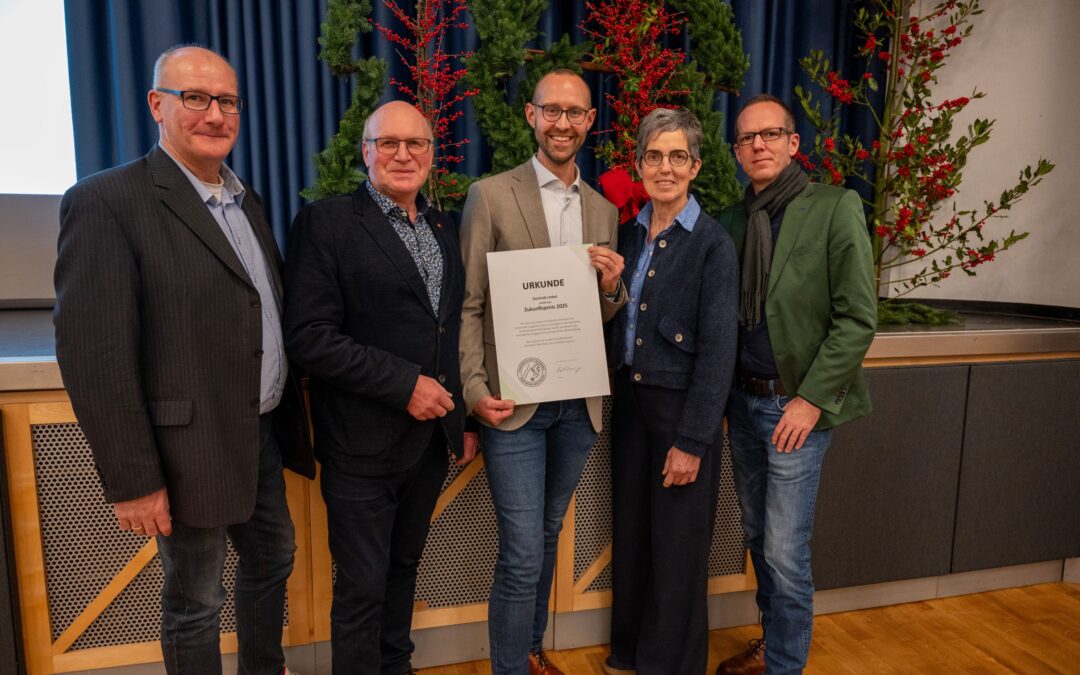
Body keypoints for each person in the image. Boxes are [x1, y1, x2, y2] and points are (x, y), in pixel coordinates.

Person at [53, 45, 312, 675]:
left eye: (227, 101)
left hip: (259, 433)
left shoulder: (244, 200)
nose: (215, 114)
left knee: (273, 559)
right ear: (157, 105)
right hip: (183, 448)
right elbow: (95, 355)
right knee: (196, 599)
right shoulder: (107, 200)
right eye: (195, 98)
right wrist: (134, 479)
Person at [284, 100, 475, 675]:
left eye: (415, 143)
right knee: (363, 588)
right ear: (366, 152)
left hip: (427, 444)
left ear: (431, 154)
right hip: (361, 446)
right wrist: (403, 386)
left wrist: (459, 418)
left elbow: (448, 330)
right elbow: (310, 337)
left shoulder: (443, 225)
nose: (402, 154)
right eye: (387, 143)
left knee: (402, 571)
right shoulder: (328, 222)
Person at [459, 69, 626, 675]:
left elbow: (600, 312)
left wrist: (613, 287)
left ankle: (529, 650)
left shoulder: (603, 210)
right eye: (551, 110)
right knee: (523, 552)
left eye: (575, 112)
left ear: (589, 121)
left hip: (577, 407)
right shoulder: (491, 194)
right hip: (514, 406)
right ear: (531, 116)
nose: (562, 122)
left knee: (547, 536)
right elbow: (470, 302)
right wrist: (473, 390)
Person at [715, 94, 877, 675]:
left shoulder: (834, 207)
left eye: (770, 134)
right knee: (759, 537)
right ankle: (772, 644)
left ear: (793, 143)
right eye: (746, 138)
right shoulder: (733, 221)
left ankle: (785, 665)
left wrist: (809, 401)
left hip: (794, 409)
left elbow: (858, 317)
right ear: (735, 152)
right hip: (743, 402)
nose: (757, 144)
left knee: (785, 550)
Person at [603, 107, 739, 675]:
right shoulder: (627, 234)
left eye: (677, 156)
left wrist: (693, 439)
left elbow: (717, 352)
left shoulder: (712, 244)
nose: (665, 167)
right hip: (631, 407)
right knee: (635, 537)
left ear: (696, 165)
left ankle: (670, 664)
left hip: (681, 412)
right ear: (639, 164)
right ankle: (630, 651)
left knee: (679, 547)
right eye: (654, 155)